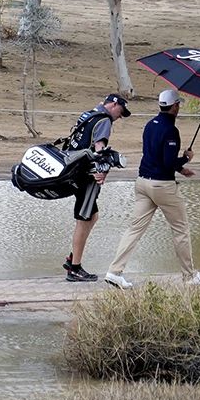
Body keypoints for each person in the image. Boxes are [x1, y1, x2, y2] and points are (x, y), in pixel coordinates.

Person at [103, 88, 200, 288]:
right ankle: (189, 277)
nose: (178, 107)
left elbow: (155, 155)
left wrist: (181, 169)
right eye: (178, 104)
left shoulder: (150, 125)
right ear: (174, 106)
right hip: (162, 186)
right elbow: (167, 162)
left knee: (134, 229)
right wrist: (185, 159)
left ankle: (114, 271)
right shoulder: (171, 130)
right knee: (181, 230)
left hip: (142, 183)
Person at [62, 94, 129, 282]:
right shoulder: (104, 120)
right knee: (83, 220)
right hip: (87, 177)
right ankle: (74, 268)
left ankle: (72, 258)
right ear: (114, 104)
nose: (120, 117)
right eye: (121, 112)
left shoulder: (89, 114)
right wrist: (101, 171)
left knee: (93, 216)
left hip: (75, 169)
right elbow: (99, 148)